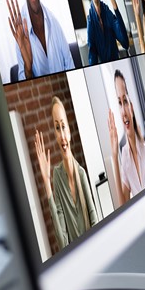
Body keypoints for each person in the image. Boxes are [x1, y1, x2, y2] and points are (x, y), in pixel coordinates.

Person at [33, 96, 94, 251]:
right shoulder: (57, 176)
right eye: (57, 128)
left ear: (69, 131)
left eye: (63, 126)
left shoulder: (81, 174)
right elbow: (62, 241)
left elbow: (95, 223)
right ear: (54, 134)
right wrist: (46, 182)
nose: (61, 135)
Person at [107, 69, 145, 204]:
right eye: (119, 103)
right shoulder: (125, 156)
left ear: (132, 107)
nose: (123, 110)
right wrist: (114, 156)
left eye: (125, 101)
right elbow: (123, 205)